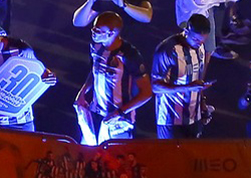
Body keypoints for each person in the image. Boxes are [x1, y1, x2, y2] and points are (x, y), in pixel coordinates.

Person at [75, 8, 150, 146]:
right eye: (93, 29)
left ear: (112, 33)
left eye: (98, 31)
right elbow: (94, 72)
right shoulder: (95, 46)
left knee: (113, 162)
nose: (94, 34)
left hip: (118, 122)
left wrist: (121, 112)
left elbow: (146, 92)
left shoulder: (129, 54)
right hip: (95, 114)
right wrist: (83, 92)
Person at [152, 14, 212, 137]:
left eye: (202, 40)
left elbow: (197, 78)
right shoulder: (167, 50)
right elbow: (155, 87)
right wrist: (187, 88)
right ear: (187, 30)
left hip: (194, 117)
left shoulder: (200, 47)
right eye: (196, 40)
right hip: (170, 120)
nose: (199, 43)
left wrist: (202, 103)